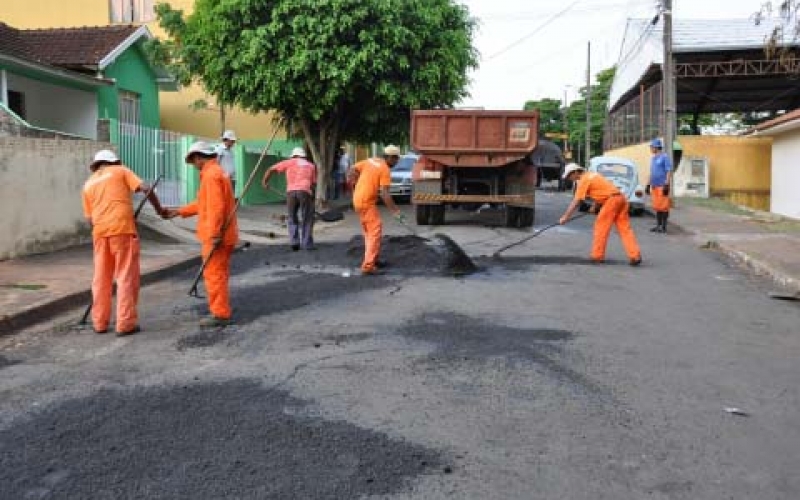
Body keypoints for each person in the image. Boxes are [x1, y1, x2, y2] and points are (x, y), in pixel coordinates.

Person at [82, 149, 165, 336]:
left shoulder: (88, 184)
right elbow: (145, 188)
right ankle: (125, 324)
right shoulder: (120, 170)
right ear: (114, 162)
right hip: (122, 230)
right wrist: (159, 209)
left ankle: (100, 323)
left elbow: (89, 219)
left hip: (100, 233)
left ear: (96, 165)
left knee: (101, 279)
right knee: (125, 276)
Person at [163, 142, 239, 327]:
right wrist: (178, 211)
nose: (194, 164)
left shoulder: (211, 176)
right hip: (224, 234)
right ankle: (220, 309)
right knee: (218, 273)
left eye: (193, 161)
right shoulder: (215, 172)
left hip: (216, 236)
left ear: (198, 157)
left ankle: (220, 314)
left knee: (214, 274)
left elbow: (215, 208)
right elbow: (202, 203)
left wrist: (213, 235)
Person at [559, 163, 642, 266]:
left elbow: (576, 201)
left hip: (612, 201)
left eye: (569, 176)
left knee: (601, 227)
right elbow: (602, 190)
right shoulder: (592, 175)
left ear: (576, 172)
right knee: (624, 229)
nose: (569, 178)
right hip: (620, 198)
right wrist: (595, 206)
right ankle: (635, 255)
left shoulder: (584, 180)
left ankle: (597, 256)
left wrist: (565, 217)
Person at [349, 145, 404, 275]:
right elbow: (385, 194)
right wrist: (396, 212)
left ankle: (373, 259)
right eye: (396, 159)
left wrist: (355, 184)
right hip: (366, 202)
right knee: (375, 230)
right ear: (390, 157)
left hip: (358, 199)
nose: (396, 162)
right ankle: (368, 266)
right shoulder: (385, 169)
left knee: (369, 232)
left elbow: (352, 169)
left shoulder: (370, 161)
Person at [261, 147, 317, 251]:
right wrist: (312, 197)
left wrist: (265, 182)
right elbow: (313, 184)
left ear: (294, 155)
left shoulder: (289, 162)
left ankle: (294, 242)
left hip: (291, 192)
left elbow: (270, 169)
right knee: (307, 218)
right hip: (305, 191)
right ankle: (307, 244)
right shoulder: (311, 166)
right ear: (303, 156)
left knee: (292, 217)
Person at [647, 138, 672, 233]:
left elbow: (668, 170)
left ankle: (664, 227)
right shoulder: (653, 158)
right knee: (657, 206)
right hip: (654, 186)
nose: (651, 149)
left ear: (656, 147)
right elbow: (651, 172)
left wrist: (666, 184)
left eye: (651, 147)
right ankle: (658, 225)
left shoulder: (664, 157)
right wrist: (648, 184)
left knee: (664, 206)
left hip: (662, 185)